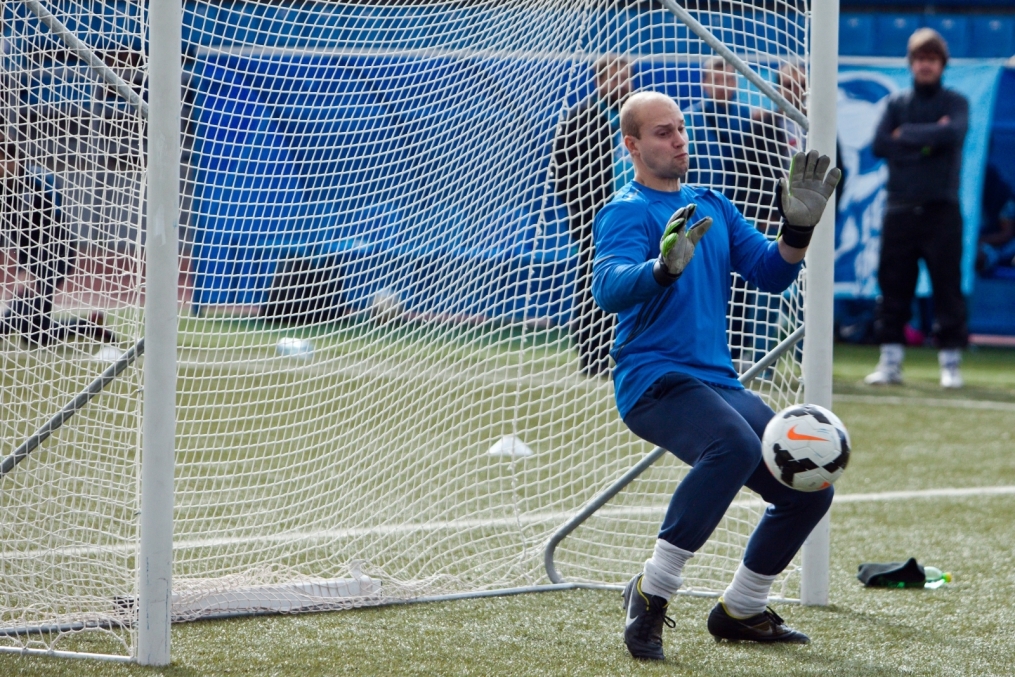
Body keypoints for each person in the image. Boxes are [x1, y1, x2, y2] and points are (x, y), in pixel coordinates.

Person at [592, 91, 840, 660]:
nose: (679, 140)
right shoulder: (627, 210)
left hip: (718, 382)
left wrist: (797, 229)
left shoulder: (713, 204)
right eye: (663, 132)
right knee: (732, 446)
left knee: (808, 486)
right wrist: (661, 268)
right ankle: (651, 592)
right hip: (652, 379)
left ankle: (742, 609)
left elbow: (771, 273)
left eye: (681, 128)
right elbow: (607, 287)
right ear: (632, 145)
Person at [865, 28, 969, 389]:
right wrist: (928, 140)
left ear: (942, 64)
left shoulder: (955, 102)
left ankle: (950, 363)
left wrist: (905, 135)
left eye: (932, 59)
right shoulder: (896, 104)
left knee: (947, 287)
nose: (926, 65)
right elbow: (879, 144)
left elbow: (953, 133)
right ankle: (890, 361)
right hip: (899, 209)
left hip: (942, 210)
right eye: (920, 59)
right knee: (893, 285)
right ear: (911, 63)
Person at [553, 55, 633, 378]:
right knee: (594, 284)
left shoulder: (639, 116)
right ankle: (593, 355)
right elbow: (561, 171)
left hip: (636, 215)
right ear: (599, 81)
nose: (622, 84)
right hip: (595, 219)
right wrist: (581, 213)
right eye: (615, 77)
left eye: (626, 76)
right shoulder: (581, 118)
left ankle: (634, 353)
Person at [1, 138, 115, 346]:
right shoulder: (5, 189)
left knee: (22, 318)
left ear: (13, 160)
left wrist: (29, 270)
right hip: (30, 258)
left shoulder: (39, 180)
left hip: (55, 255)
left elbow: (50, 229)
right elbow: (15, 233)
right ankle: (89, 326)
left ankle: (89, 326)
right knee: (34, 334)